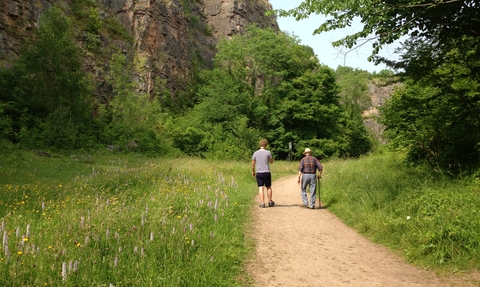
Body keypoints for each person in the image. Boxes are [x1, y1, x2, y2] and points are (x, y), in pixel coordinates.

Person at [252, 139, 274, 208]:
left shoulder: (255, 153)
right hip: (266, 172)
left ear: (260, 145)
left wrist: (253, 171)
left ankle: (262, 203)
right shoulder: (268, 152)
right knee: (268, 187)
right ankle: (270, 201)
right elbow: (271, 161)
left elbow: (252, 164)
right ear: (266, 145)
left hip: (259, 172)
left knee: (261, 188)